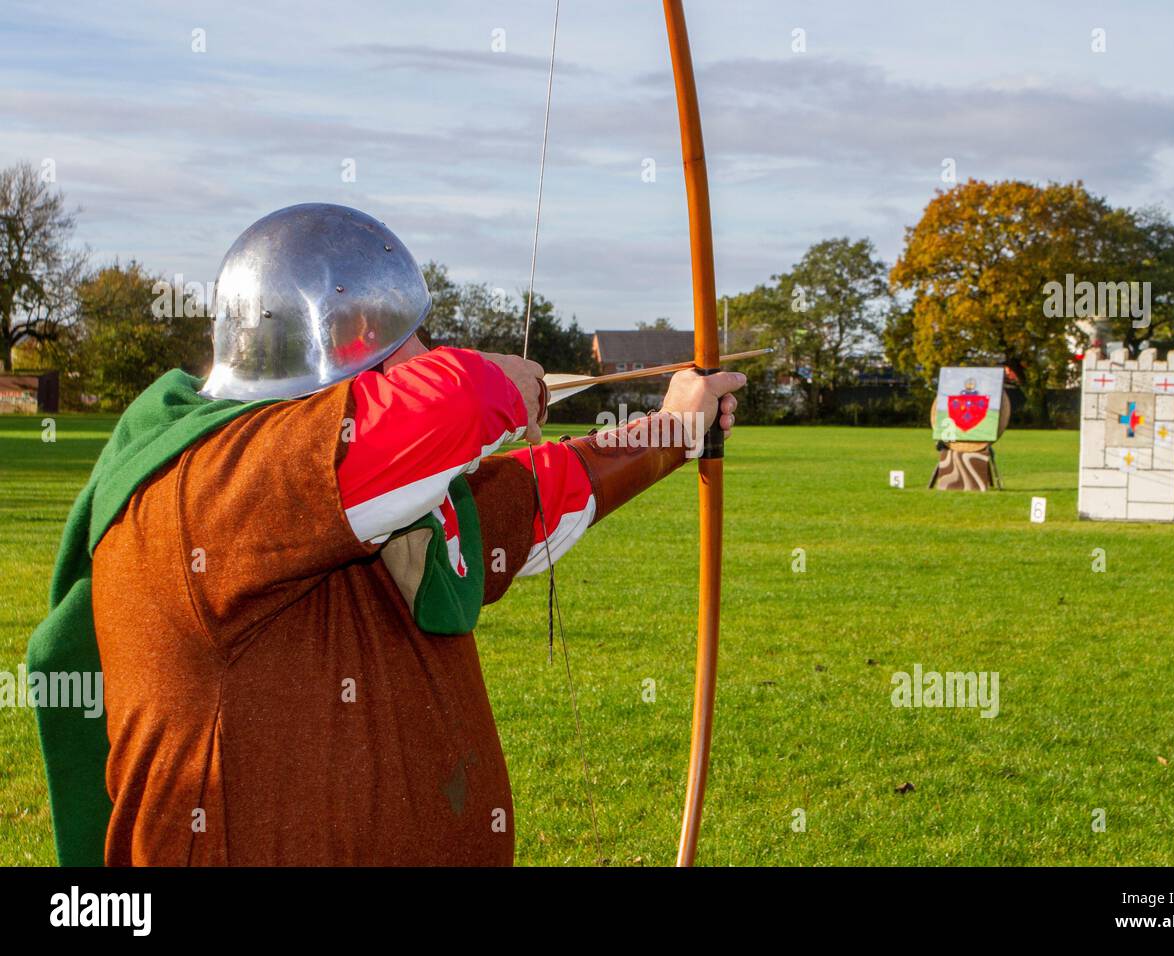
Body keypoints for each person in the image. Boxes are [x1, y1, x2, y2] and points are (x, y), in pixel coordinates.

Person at [28, 203, 744, 866]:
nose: (428, 352)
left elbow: (538, 495)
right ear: (345, 357)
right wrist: (493, 383)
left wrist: (673, 431)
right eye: (408, 343)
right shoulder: (204, 489)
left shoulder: (372, 509)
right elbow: (442, 407)